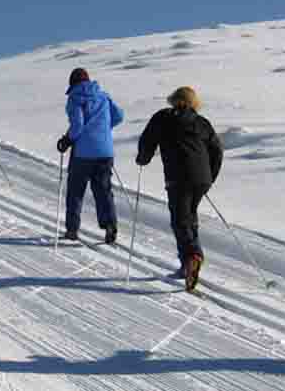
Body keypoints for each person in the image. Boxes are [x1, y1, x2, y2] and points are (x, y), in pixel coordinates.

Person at [136, 86, 223, 291]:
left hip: (178, 177)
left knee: (180, 220)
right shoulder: (202, 123)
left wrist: (143, 158)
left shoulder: (163, 117)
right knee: (189, 217)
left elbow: (147, 140)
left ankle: (192, 256)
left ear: (174, 100)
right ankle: (189, 263)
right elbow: (217, 150)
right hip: (201, 178)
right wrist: (209, 177)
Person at [56, 68, 124, 244]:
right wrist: (102, 129)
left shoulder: (75, 99)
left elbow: (77, 125)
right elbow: (119, 116)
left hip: (83, 154)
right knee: (103, 190)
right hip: (105, 152)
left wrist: (67, 140)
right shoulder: (103, 96)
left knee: (76, 191)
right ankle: (110, 226)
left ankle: (72, 229)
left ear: (72, 83)